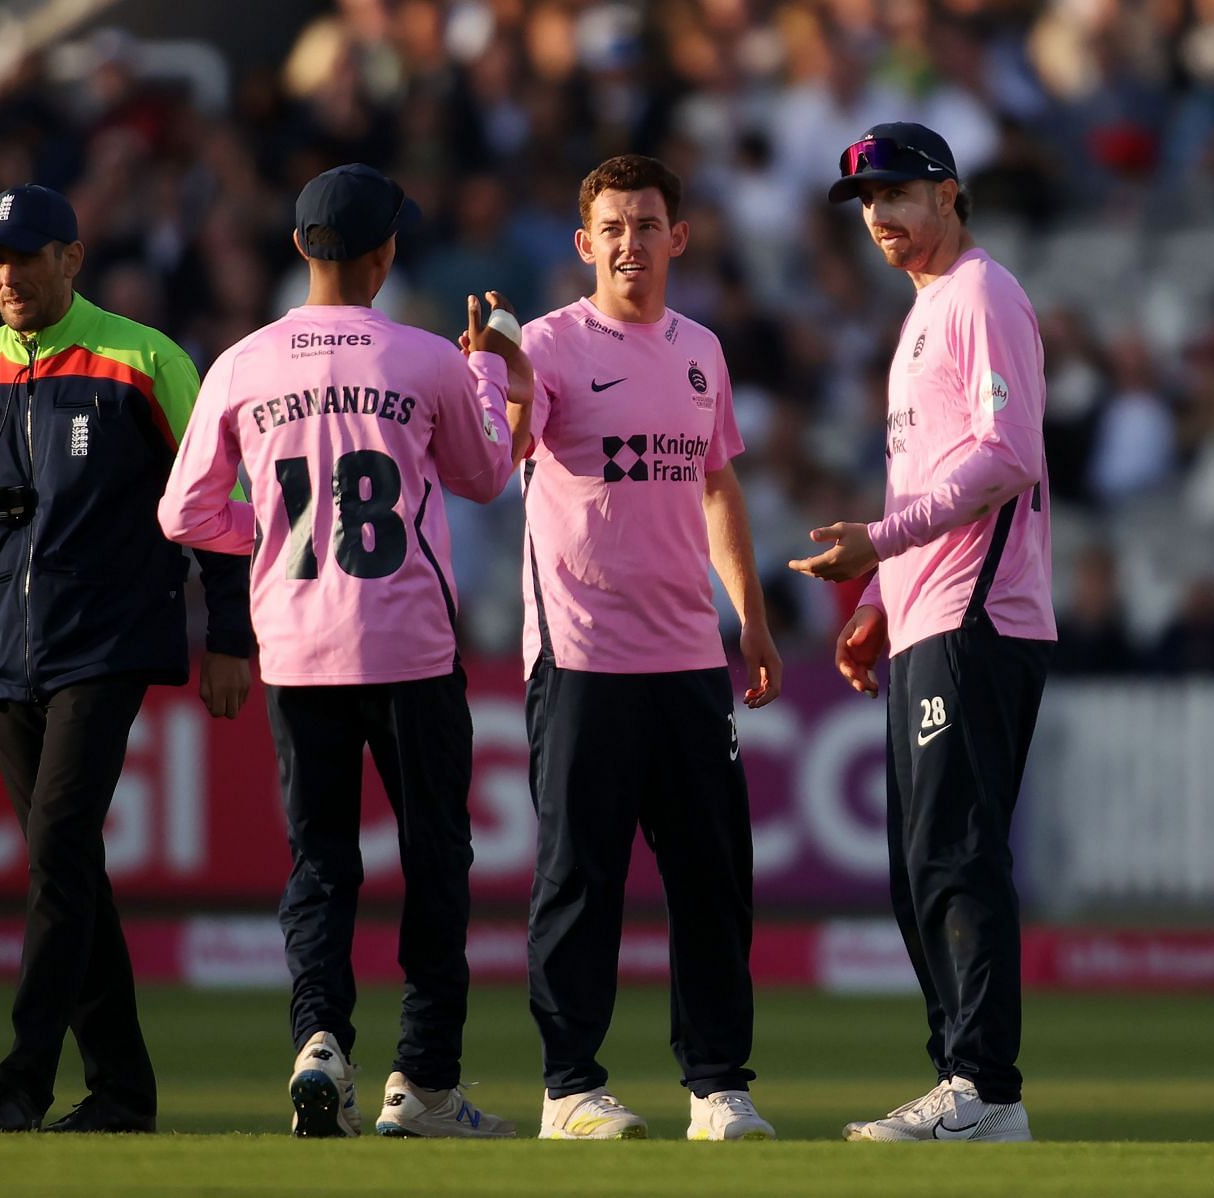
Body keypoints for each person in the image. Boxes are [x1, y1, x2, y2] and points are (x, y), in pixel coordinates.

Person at [158, 164, 533, 1139]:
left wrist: (274, 539)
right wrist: (489, 363)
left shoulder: (243, 364)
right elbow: (489, 473)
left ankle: (319, 1040)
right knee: (436, 860)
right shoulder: (422, 359)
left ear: (298, 249)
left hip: (294, 651)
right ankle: (425, 1084)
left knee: (319, 865)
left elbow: (184, 511)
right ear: (387, 253)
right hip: (408, 644)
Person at [0, 184, 254, 1134]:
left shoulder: (143, 360)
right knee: (69, 864)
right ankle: (123, 1091)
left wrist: (232, 637)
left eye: (27, 255)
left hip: (109, 644)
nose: (8, 274)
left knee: (55, 854)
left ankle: (23, 1079)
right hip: (2, 658)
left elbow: (219, 504)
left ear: (72, 259)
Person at [792, 122, 1053, 1144]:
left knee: (955, 851)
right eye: (866, 203)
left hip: (982, 614)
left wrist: (883, 546)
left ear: (951, 193)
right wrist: (883, 599)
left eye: (898, 192)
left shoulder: (981, 293)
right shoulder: (924, 314)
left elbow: (1008, 457)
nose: (881, 217)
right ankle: (967, 1082)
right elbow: (938, 474)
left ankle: (983, 1086)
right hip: (930, 611)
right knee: (920, 860)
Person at [517, 154, 782, 1142]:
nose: (632, 241)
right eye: (613, 227)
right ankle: (570, 1088)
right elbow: (500, 454)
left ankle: (718, 1086)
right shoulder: (542, 346)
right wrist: (497, 383)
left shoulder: (701, 351)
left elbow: (717, 485)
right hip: (583, 654)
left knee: (713, 881)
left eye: (648, 222)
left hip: (687, 658)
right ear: (586, 246)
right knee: (581, 880)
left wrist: (748, 615)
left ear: (680, 236)